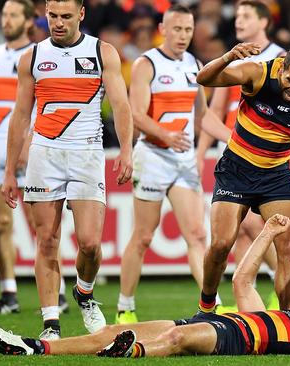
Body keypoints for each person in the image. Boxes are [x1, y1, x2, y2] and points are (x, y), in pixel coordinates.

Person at [0, 214, 290, 357]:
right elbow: (243, 279)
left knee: (175, 342)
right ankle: (36, 348)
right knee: (115, 329)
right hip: (228, 322)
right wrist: (268, 233)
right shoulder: (285, 321)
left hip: (233, 338)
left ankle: (132, 353)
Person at [1, 0, 133, 339]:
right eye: (53, 16)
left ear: (81, 15)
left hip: (87, 153)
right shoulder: (31, 57)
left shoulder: (103, 52)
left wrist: (127, 151)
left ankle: (85, 293)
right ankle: (50, 324)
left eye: (66, 17)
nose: (58, 23)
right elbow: (19, 115)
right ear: (45, 14)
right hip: (45, 154)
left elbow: (121, 105)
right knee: (47, 241)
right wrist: (9, 171)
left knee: (89, 244)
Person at [115, 4, 229, 325]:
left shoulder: (194, 64)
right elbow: (136, 113)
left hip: (182, 161)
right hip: (152, 157)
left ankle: (213, 305)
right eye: (177, 29)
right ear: (163, 29)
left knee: (196, 234)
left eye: (188, 30)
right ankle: (125, 306)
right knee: (143, 236)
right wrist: (165, 134)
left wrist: (234, 138)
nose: (183, 36)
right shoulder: (145, 64)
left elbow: (203, 116)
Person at [194, 41, 290, 312]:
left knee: (289, 247)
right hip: (236, 169)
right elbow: (203, 78)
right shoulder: (257, 73)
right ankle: (207, 306)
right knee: (221, 244)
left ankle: (289, 321)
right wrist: (228, 56)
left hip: (276, 173)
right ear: (282, 67)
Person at [0, 0, 70, 316]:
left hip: (30, 145)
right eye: (5, 14)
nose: (6, 20)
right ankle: (8, 292)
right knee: (1, 222)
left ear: (28, 22)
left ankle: (59, 291)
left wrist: (30, 141)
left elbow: (44, 104)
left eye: (13, 15)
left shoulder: (41, 56)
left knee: (42, 225)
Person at [196, 0, 286, 306]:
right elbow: (211, 115)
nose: (239, 21)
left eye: (246, 16)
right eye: (237, 16)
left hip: (267, 157)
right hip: (235, 156)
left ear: (264, 22)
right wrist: (201, 153)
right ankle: (244, 294)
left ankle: (278, 287)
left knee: (249, 225)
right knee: (239, 232)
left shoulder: (282, 61)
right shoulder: (232, 61)